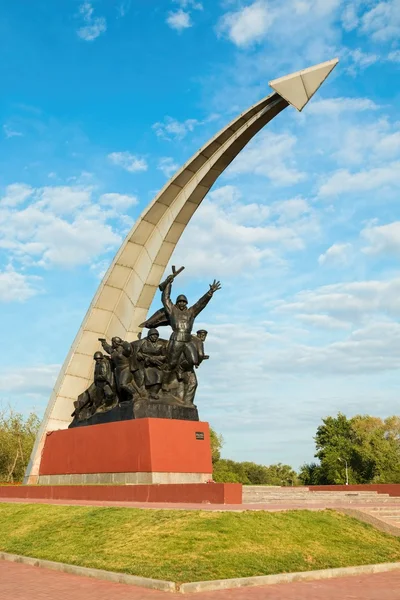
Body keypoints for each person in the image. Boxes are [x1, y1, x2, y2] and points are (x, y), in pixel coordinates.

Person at [160, 274, 220, 386]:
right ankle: (164, 383)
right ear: (177, 303)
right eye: (180, 302)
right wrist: (168, 284)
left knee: (194, 360)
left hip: (187, 339)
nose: (182, 303)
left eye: (184, 302)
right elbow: (165, 299)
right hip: (177, 338)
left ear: (186, 303)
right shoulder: (172, 310)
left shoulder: (191, 312)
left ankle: (180, 368)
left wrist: (209, 293)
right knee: (172, 362)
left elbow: (200, 304)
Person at [98, 336, 134, 402]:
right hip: (118, 371)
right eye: (112, 342)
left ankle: (135, 395)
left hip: (126, 368)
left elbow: (129, 349)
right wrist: (103, 342)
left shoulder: (123, 351)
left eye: (113, 342)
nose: (112, 343)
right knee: (119, 389)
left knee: (123, 384)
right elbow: (107, 348)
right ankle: (127, 400)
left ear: (117, 342)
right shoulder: (113, 351)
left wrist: (123, 343)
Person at [136, 329, 167, 399]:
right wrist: (144, 357)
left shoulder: (161, 345)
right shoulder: (143, 344)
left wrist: (155, 358)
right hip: (145, 365)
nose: (154, 337)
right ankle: (146, 392)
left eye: (156, 335)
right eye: (153, 335)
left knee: (159, 376)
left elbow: (165, 356)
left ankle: (154, 392)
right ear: (149, 336)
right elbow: (138, 353)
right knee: (146, 376)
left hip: (156, 365)